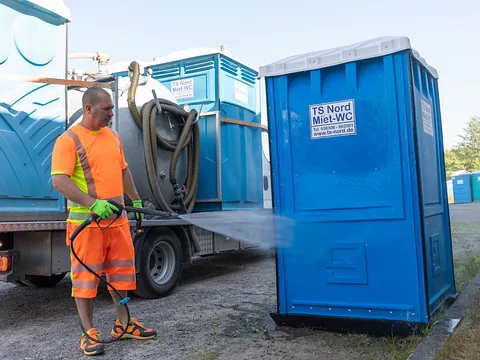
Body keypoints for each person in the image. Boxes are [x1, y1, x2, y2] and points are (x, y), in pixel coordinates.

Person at [51, 86, 156, 356]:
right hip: (86, 227)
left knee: (120, 276)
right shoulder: (69, 140)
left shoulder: (113, 137)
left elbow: (123, 171)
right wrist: (93, 203)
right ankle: (89, 333)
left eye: (111, 108)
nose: (111, 113)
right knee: (85, 282)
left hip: (117, 224)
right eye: (107, 108)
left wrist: (136, 201)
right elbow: (59, 180)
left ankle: (123, 324)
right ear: (88, 108)